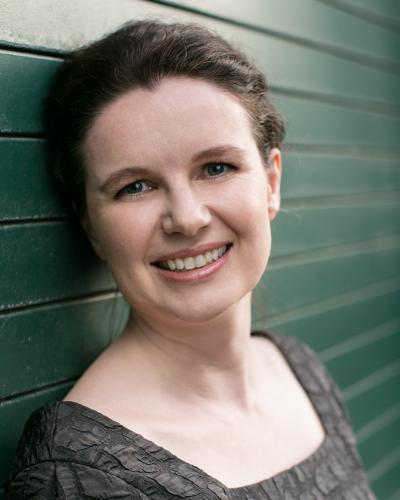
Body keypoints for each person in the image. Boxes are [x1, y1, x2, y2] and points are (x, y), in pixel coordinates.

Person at [6, 20, 375, 499]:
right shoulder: (73, 475)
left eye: (216, 168)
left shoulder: (300, 371)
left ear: (271, 183)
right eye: (135, 186)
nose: (187, 218)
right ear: (91, 227)